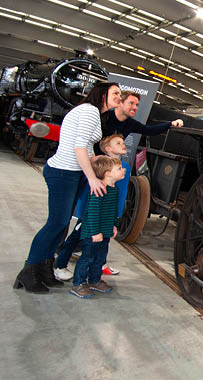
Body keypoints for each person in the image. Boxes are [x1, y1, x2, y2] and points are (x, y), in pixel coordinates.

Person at [54, 91, 183, 279]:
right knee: (80, 220)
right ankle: (60, 257)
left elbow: (149, 129)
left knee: (101, 230)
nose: (134, 108)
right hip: (93, 167)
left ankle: (94, 263)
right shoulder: (103, 118)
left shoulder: (128, 130)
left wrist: (170, 124)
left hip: (108, 170)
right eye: (131, 103)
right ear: (120, 104)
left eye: (137, 105)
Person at [13, 82, 122, 294]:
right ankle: (29, 271)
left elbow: (86, 147)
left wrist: (97, 159)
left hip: (71, 173)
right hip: (63, 172)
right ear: (102, 95)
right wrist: (92, 177)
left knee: (61, 225)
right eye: (115, 93)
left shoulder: (94, 113)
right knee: (56, 223)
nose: (119, 96)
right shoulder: (90, 111)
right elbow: (78, 146)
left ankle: (44, 269)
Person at [69, 155, 126, 299]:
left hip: (105, 232)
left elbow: (113, 211)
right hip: (92, 233)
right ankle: (78, 284)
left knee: (100, 258)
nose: (123, 170)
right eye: (119, 169)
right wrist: (95, 232)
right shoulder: (98, 189)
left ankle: (94, 280)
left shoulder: (114, 189)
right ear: (108, 174)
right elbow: (92, 213)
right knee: (87, 258)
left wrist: (113, 225)